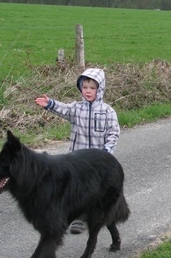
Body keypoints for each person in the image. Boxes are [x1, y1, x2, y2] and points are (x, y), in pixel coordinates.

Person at [35, 67, 120, 234]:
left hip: (97, 161)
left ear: (100, 90)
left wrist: (106, 151)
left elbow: (114, 133)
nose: (88, 91)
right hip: (77, 159)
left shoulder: (107, 112)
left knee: (93, 191)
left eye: (92, 88)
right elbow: (64, 109)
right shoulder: (76, 108)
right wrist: (50, 104)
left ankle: (95, 215)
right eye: (85, 87)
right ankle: (77, 218)